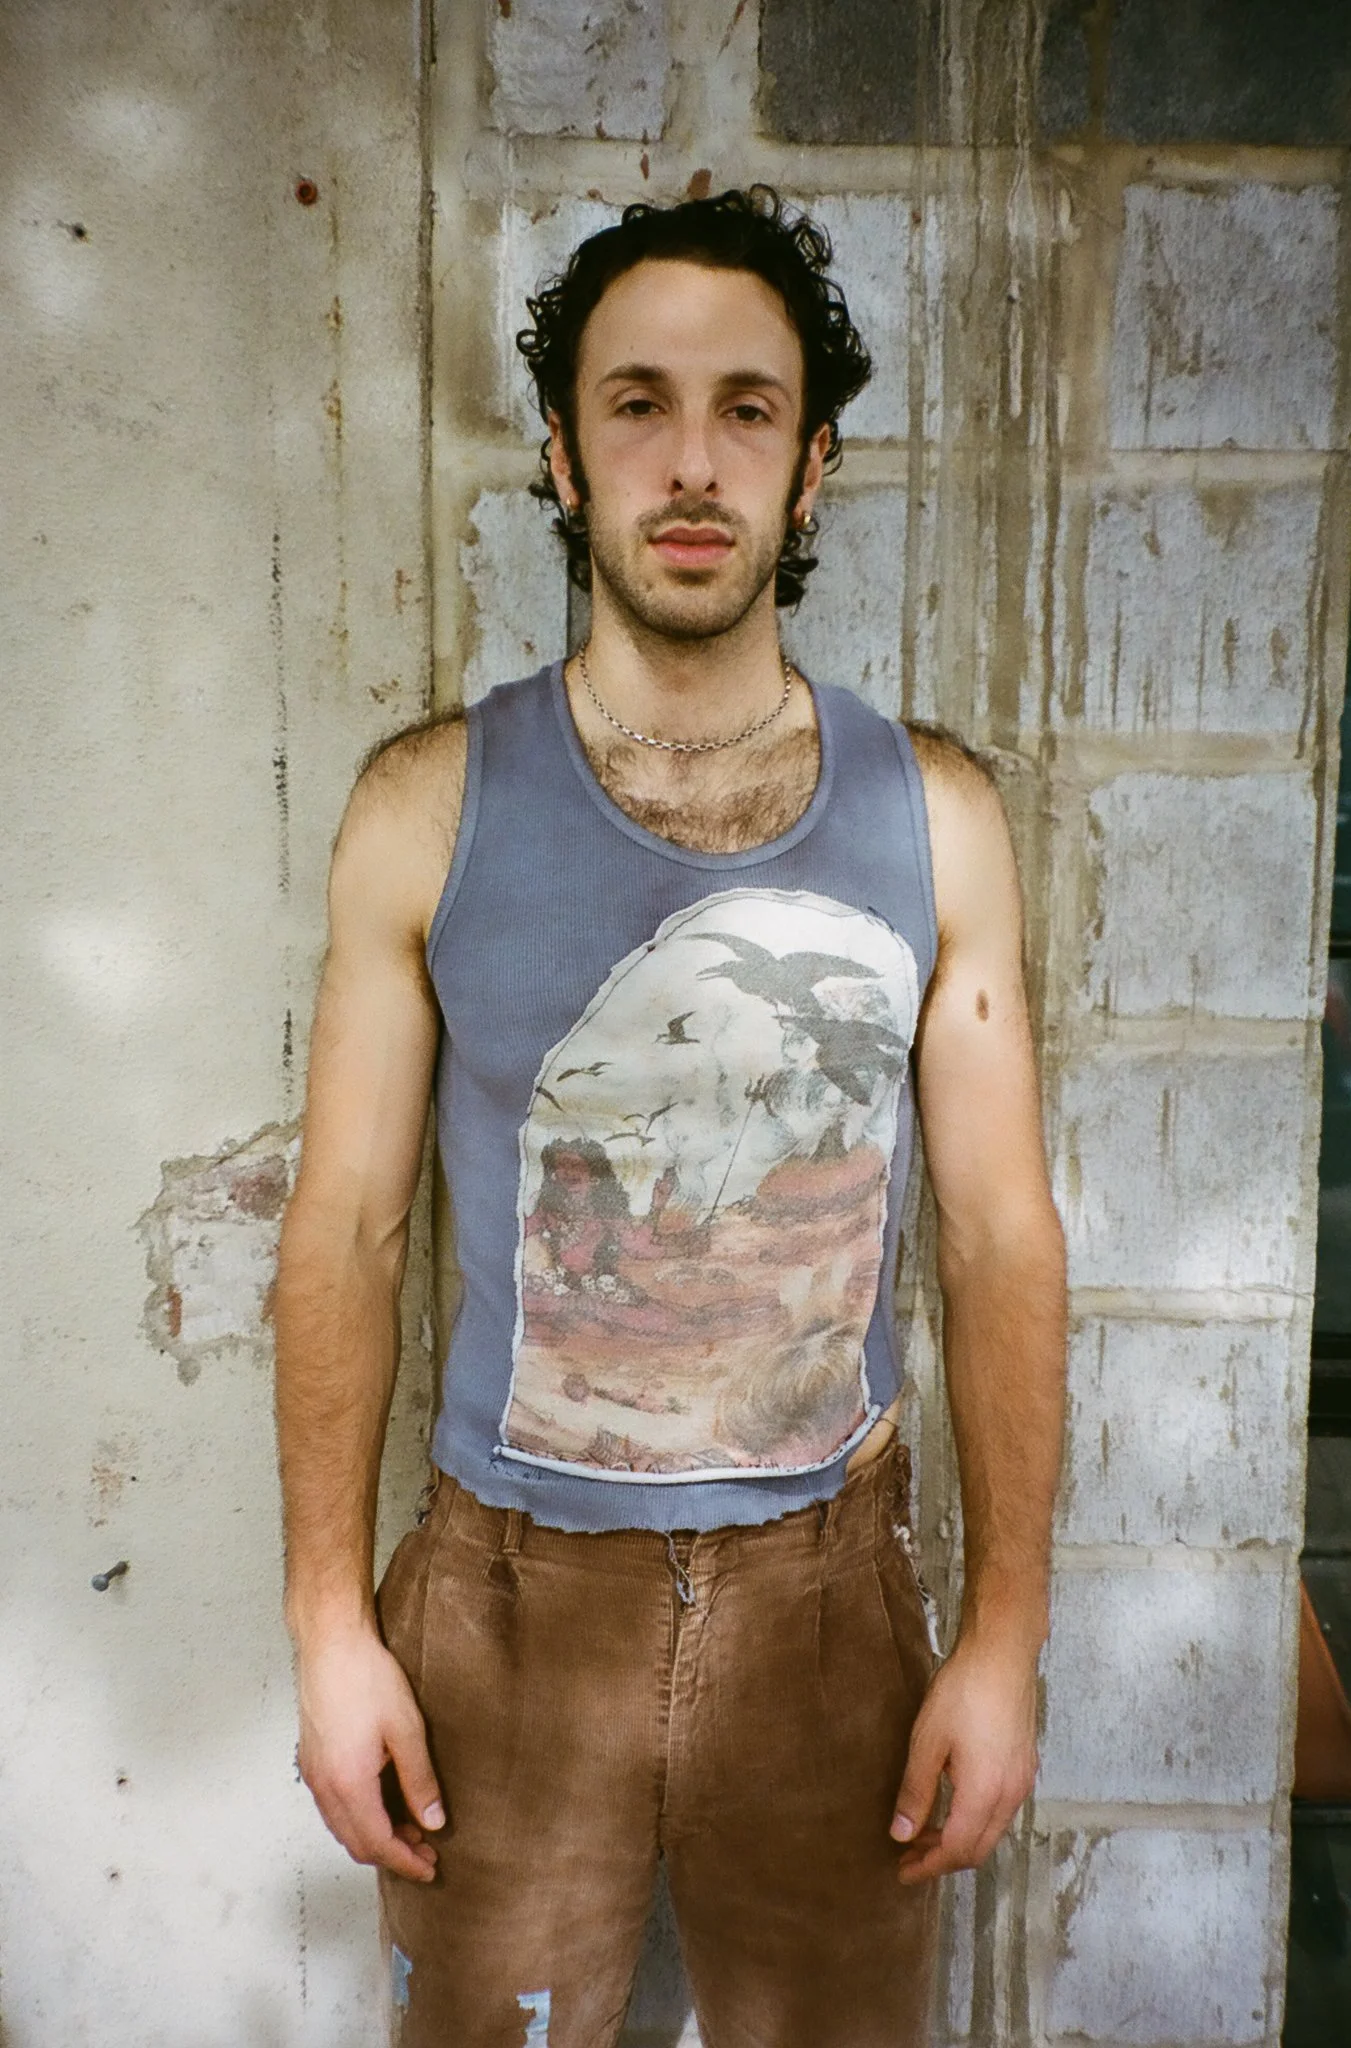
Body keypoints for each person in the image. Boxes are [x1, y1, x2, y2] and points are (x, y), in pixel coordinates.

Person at [275, 185, 1067, 2048]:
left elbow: (1002, 1234)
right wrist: (327, 1627)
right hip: (501, 1602)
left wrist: (1003, 1645)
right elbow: (347, 1229)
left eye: (744, 408)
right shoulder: (424, 804)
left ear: (810, 473)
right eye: (636, 403)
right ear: (562, 455)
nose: (689, 459)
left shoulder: (935, 817)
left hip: (826, 1612)